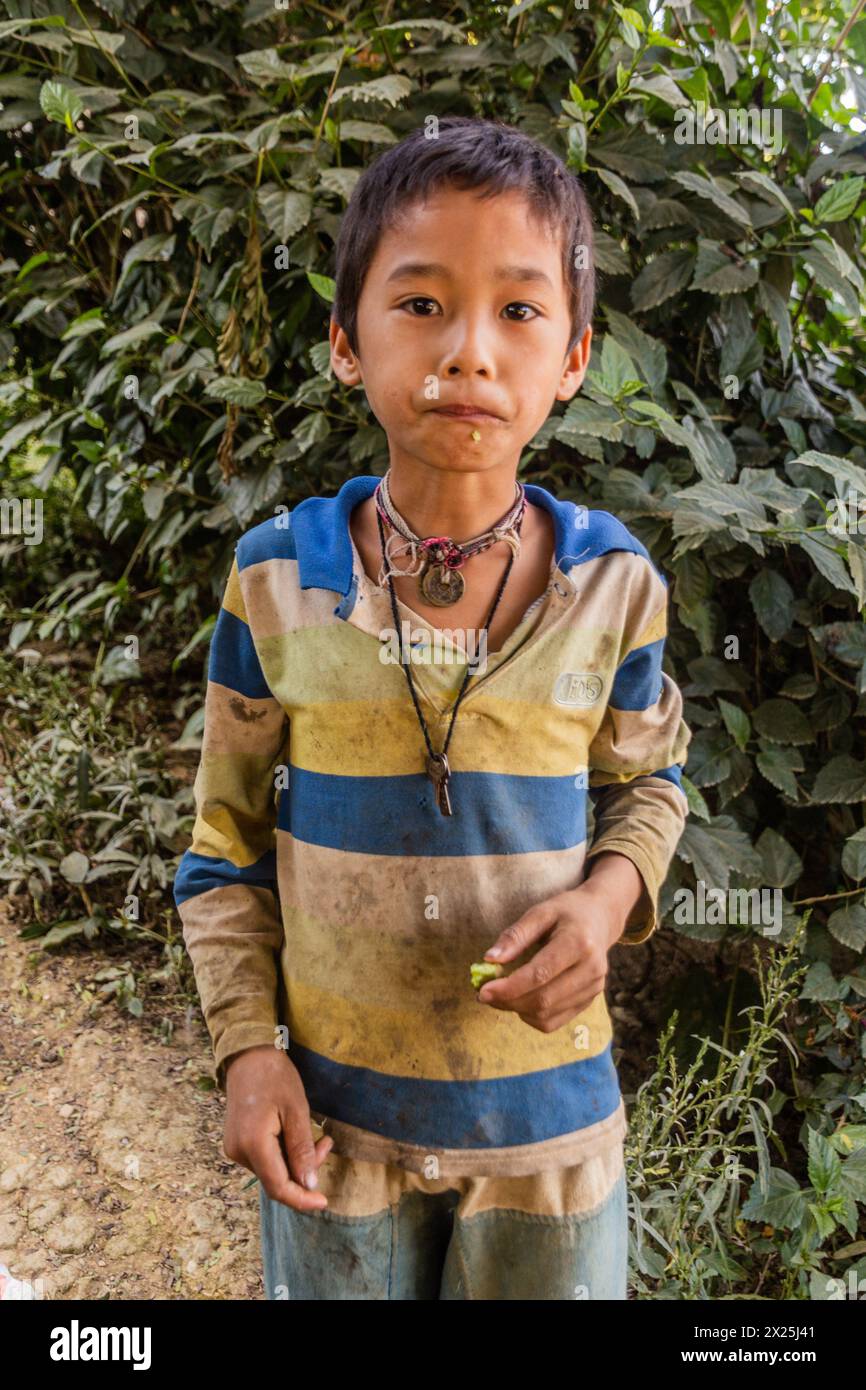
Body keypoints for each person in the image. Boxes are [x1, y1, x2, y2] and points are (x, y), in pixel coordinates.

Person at [173, 116, 692, 1300]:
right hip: (332, 1140)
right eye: (418, 303)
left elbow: (646, 786)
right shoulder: (273, 583)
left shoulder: (614, 588)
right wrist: (247, 1053)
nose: (468, 352)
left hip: (546, 1147)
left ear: (573, 359)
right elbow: (222, 849)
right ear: (344, 341)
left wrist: (607, 903)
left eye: (518, 309)